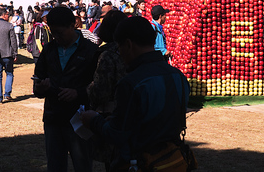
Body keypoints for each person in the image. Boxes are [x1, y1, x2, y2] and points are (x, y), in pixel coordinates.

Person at [81, 16, 191, 171]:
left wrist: (93, 120)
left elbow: (117, 133)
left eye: (119, 47)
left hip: (138, 162)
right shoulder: (178, 76)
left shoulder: (131, 83)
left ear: (128, 44)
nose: (119, 52)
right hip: (171, 159)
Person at [33, 6, 98, 172]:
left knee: (82, 165)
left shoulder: (90, 50)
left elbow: (99, 86)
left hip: (80, 119)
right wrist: (41, 88)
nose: (57, 37)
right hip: (53, 118)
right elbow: (37, 83)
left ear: (72, 25)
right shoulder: (48, 50)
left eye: (60, 33)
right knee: (55, 166)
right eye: (53, 33)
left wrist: (79, 93)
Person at [85, 10, 128, 169]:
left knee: (114, 163)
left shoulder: (106, 55)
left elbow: (100, 91)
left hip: (112, 117)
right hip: (135, 116)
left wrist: (88, 89)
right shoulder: (132, 50)